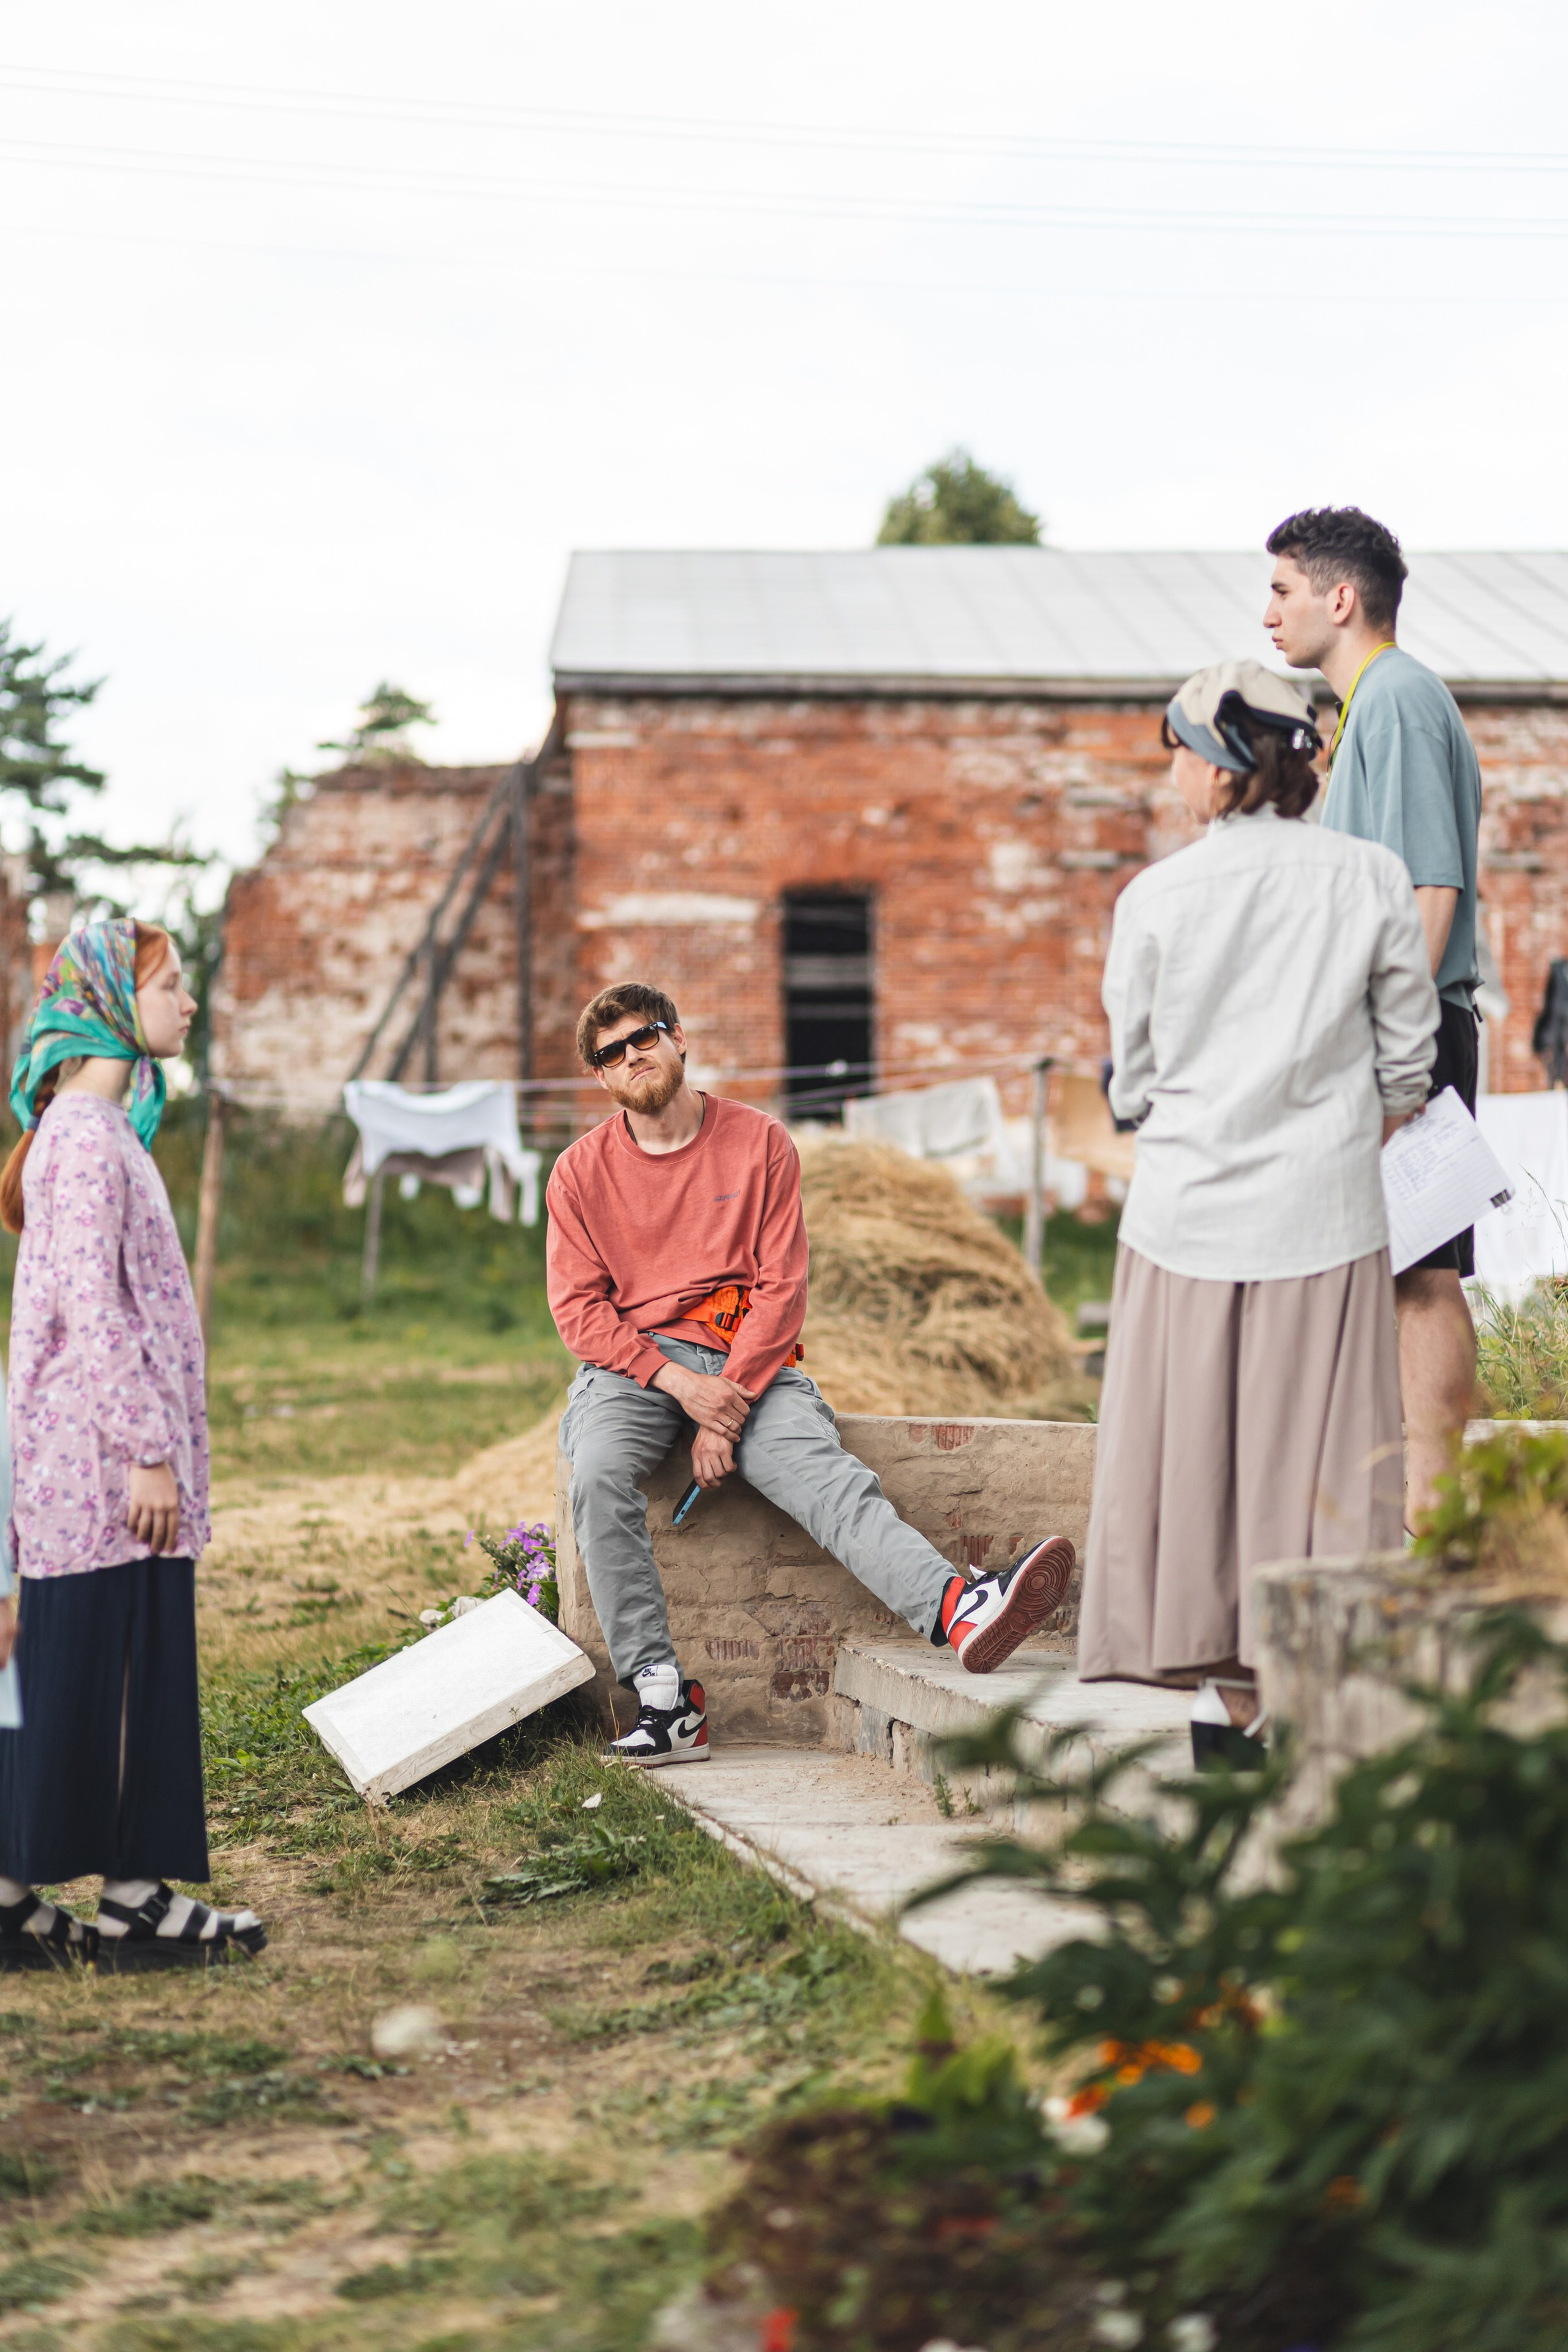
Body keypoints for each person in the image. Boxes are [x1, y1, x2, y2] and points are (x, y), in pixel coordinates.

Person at [546, 983, 1077, 1765]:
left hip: (749, 1358)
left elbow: (781, 1288)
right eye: (611, 1053)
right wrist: (686, 1390)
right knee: (595, 1473)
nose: (632, 1057)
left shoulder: (759, 1141)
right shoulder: (579, 1172)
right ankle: (664, 1702)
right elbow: (579, 1311)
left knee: (817, 1472)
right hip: (638, 1369)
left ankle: (958, 1610)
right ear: (601, 1075)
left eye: (644, 1037)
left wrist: (726, 1406)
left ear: (678, 1037)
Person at [1078, 661, 1438, 1766]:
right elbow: (1408, 1066)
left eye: (1180, 750)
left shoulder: (1155, 897)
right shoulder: (1371, 877)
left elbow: (1133, 1080)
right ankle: (1314, 1706)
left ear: (1226, 763)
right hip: (1324, 1216)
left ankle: (1221, 1711)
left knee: (1196, 1466)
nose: (1172, 772)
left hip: (1183, 1220)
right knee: (1317, 1465)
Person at [0, 919, 266, 1969]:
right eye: (170, 987)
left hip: (95, 1466)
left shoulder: (98, 1131)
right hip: (103, 1470)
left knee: (82, 1673)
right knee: (108, 1675)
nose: (189, 1004)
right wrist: (147, 1451)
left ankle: (44, 1903)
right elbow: (92, 1307)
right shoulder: (83, 1137)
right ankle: (130, 1905)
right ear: (112, 1003)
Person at [1264, 507, 1483, 1526]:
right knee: (1398, 1275)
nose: (1270, 613)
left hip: (1415, 1031)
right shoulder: (1370, 708)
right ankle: (1414, 1515)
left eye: (1283, 590)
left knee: (1421, 1275)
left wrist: (1396, 1061)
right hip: (1401, 1031)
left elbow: (1430, 891)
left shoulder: (1395, 699)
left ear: (1340, 598)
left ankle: (1436, 1521)